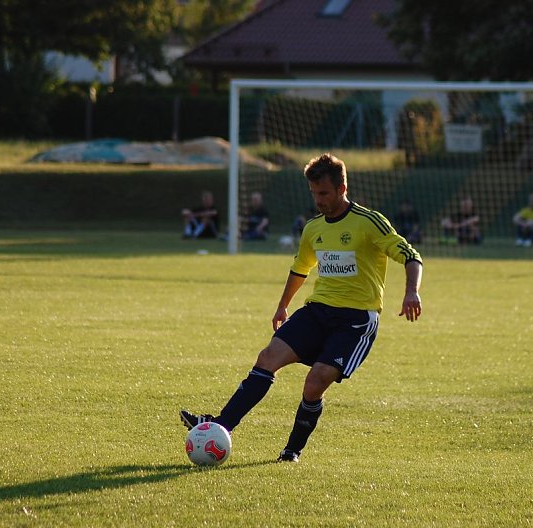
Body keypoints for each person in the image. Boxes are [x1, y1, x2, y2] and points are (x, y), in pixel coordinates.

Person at [179, 153, 423, 463]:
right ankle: (218, 427)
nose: (318, 199)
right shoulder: (313, 229)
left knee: (316, 380)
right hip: (317, 311)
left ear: (342, 188)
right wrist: (283, 307)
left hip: (356, 320)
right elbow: (300, 268)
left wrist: (411, 292)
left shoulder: (369, 222)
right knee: (267, 358)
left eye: (323, 193)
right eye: (313, 193)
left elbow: (411, 255)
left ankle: (291, 451)